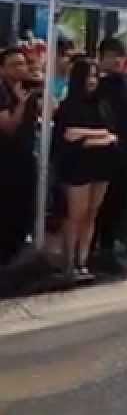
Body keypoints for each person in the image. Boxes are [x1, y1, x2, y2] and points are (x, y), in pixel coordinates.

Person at [54, 59, 123, 282]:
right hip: (76, 165)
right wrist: (99, 135)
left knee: (92, 213)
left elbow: (112, 134)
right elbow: (69, 136)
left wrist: (92, 136)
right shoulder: (68, 106)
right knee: (76, 214)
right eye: (88, 76)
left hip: (102, 163)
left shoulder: (102, 104)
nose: (92, 81)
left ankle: (82, 261)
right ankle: (68, 263)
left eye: (95, 76)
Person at [92, 38, 127, 275]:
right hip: (99, 153)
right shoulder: (95, 85)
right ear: (101, 58)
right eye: (112, 56)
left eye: (120, 56)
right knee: (97, 205)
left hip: (126, 153)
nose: (117, 61)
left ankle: (107, 250)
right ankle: (89, 251)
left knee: (118, 203)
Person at [0, 47, 39, 264]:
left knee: (25, 207)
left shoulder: (28, 88)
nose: (20, 69)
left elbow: (51, 110)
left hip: (26, 155)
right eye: (14, 65)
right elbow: (8, 126)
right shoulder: (3, 92)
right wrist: (22, 103)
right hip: (6, 159)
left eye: (23, 64)